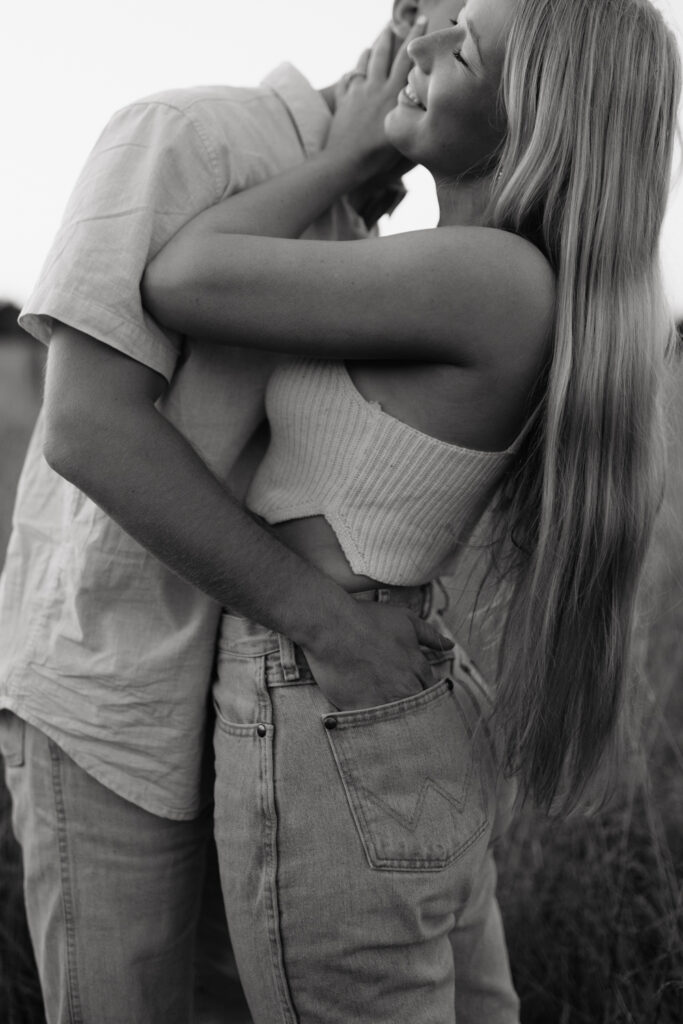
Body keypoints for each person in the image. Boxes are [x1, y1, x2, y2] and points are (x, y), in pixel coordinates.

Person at [141, 0, 682, 1020]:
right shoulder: (495, 274)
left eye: (462, 43)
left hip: (325, 698)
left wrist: (341, 162)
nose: (419, 44)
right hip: (391, 693)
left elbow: (180, 276)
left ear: (533, 116)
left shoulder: (481, 278)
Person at [0, 5, 459, 1023]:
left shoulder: (361, 229)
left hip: (263, 725)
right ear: (410, 24)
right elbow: (84, 426)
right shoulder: (185, 133)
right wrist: (326, 621)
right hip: (113, 702)